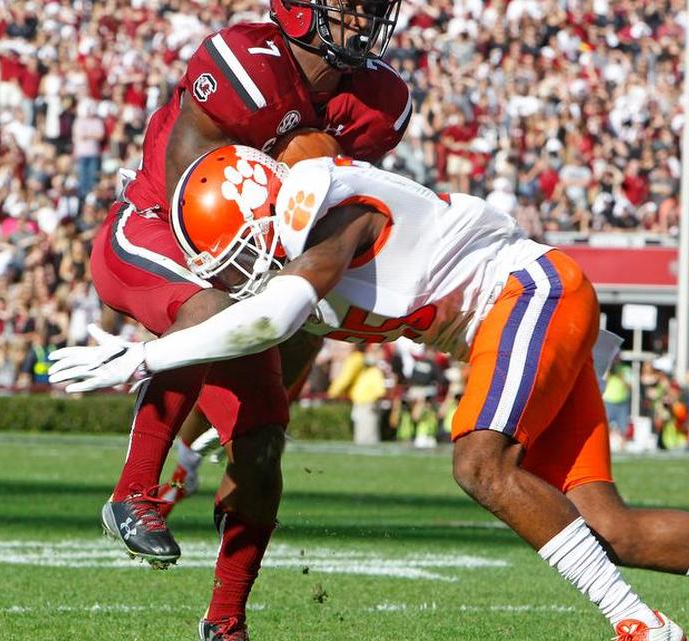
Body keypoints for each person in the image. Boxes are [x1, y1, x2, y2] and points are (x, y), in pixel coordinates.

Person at [51, 147, 689, 639]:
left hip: (531, 293)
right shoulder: (300, 256)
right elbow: (277, 364)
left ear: (265, 218)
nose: (230, 275)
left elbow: (274, 314)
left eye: (233, 253)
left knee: (480, 465)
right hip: (531, 312)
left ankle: (637, 623)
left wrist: (144, 358)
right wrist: (188, 452)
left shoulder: (333, 220)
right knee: (612, 527)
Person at [82, 2, 411, 638]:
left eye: (371, 9)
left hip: (250, 265)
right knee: (207, 311)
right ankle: (134, 491)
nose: (364, 21)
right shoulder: (244, 64)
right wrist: (243, 269)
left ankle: (226, 621)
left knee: (262, 444)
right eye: (348, 7)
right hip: (158, 229)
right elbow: (187, 190)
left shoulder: (378, 101)